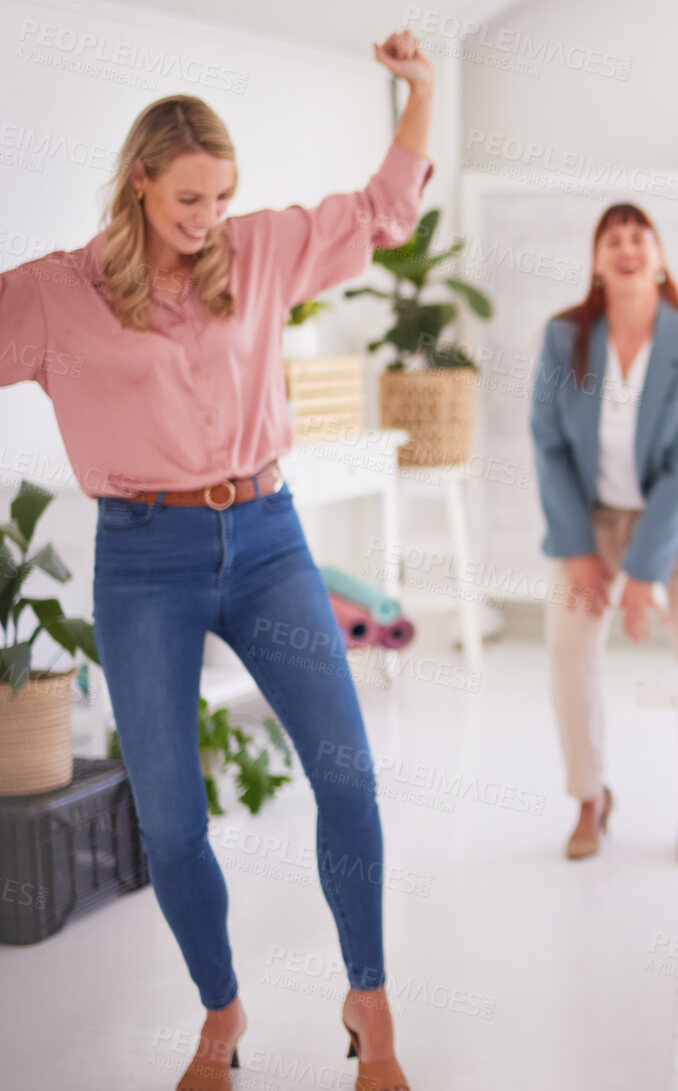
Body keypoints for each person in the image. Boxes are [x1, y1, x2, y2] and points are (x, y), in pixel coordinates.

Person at [0, 32, 435, 1091]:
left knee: (347, 776)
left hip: (269, 538)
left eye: (221, 198)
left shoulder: (263, 249)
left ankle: (368, 998)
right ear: (140, 181)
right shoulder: (60, 294)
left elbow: (383, 208)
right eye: (189, 199)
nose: (206, 222)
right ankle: (219, 1008)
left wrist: (418, 87)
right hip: (143, 557)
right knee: (170, 815)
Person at [530, 203, 678, 862]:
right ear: (596, 261)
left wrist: (645, 572)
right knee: (567, 646)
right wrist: (580, 550)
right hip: (589, 518)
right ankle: (589, 795)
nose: (626, 248)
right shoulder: (565, 339)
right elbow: (548, 445)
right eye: (612, 239)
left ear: (659, 258)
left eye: (638, 238)